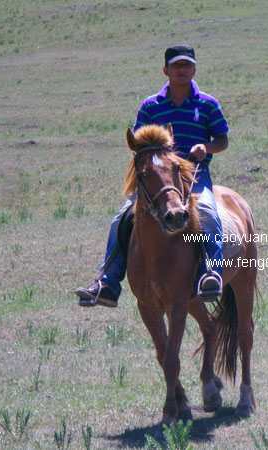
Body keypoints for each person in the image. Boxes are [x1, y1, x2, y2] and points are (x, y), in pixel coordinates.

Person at [75, 45, 229, 307]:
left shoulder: (207, 104)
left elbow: (222, 139)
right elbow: (139, 145)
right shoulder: (150, 106)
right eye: (176, 65)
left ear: (194, 69)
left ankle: (210, 274)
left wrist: (207, 147)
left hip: (194, 175)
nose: (182, 70)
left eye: (186, 65)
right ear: (165, 70)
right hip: (157, 179)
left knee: (207, 212)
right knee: (121, 217)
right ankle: (108, 282)